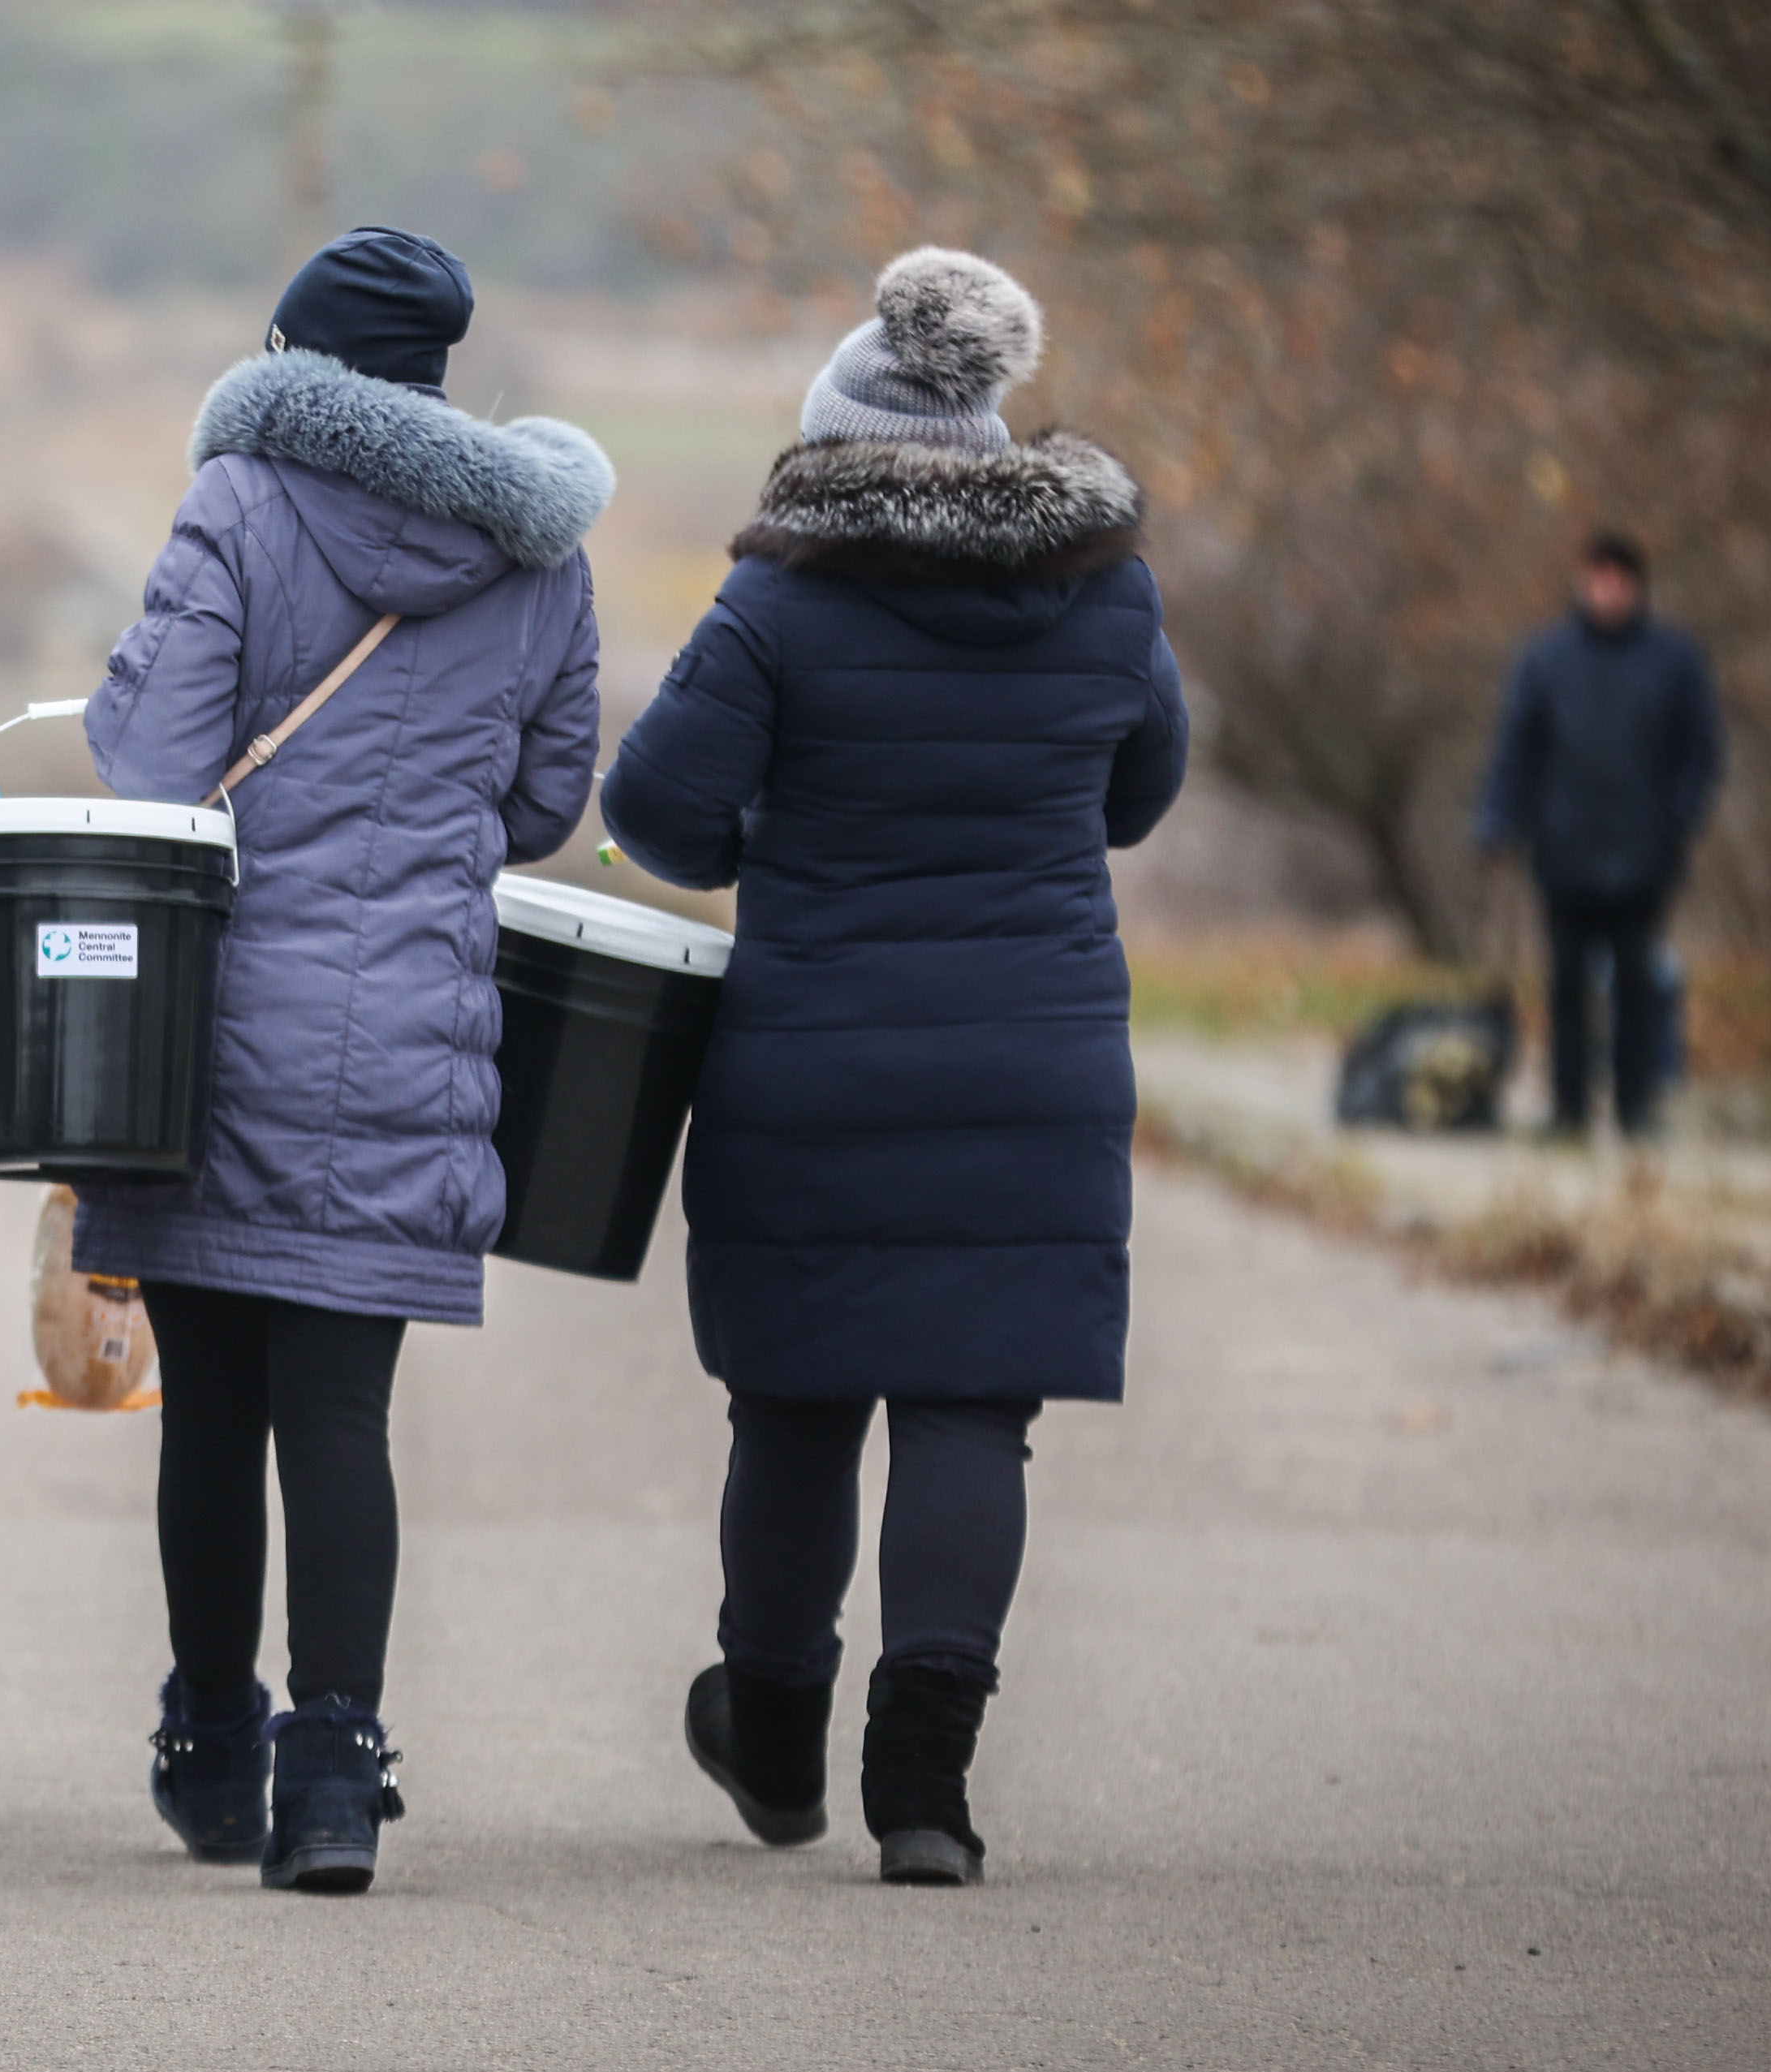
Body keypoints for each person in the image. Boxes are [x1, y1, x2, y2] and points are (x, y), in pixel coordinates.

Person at [601, 248, 1187, 1885]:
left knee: (794, 1405)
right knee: (971, 1413)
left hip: (816, 1055)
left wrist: (774, 826)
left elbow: (653, 814)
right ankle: (923, 1790)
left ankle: (775, 1737)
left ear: (835, 443)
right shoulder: (1109, 588)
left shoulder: (780, 599)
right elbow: (1136, 796)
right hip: (1036, 1057)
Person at [80, 226, 610, 1892]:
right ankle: (335, 1772)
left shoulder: (237, 503)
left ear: (296, 357)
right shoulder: (544, 560)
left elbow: (158, 757)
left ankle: (215, 1751)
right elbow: (541, 806)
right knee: (341, 1413)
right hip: (408, 1036)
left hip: (215, 1036)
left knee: (210, 1417)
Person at [1476, 532, 1722, 1139]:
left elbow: (1703, 748)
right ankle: (1568, 1110)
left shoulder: (1675, 660)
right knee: (1566, 986)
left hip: (1645, 856)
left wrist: (1678, 818)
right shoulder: (1547, 659)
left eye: (1617, 580)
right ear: (1583, 582)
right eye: (1597, 578)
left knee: (1637, 987)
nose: (1606, 590)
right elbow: (1517, 749)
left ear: (1636, 586)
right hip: (1564, 851)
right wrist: (1498, 821)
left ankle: (1637, 1109)